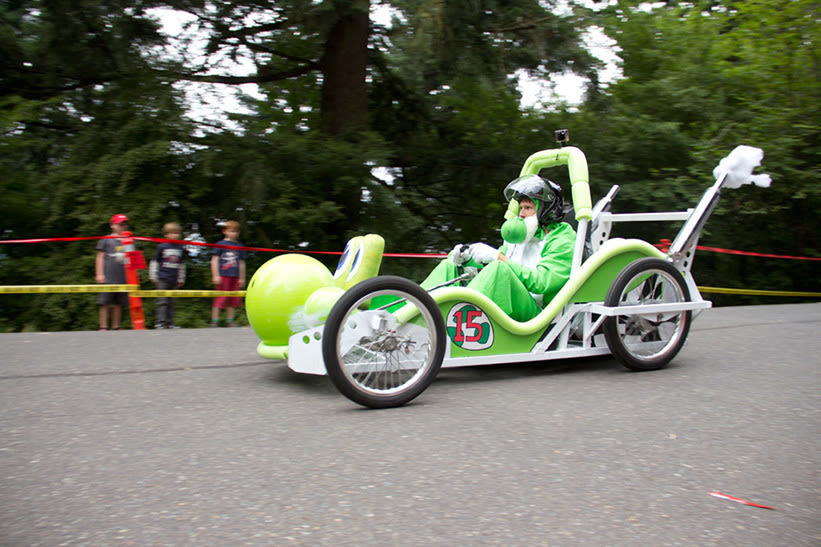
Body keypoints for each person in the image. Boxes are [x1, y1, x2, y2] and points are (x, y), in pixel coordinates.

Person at [420, 175, 576, 322]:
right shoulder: (519, 235)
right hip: (511, 301)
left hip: (538, 314)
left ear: (546, 210)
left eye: (527, 207)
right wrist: (467, 260)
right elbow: (492, 267)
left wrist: (498, 258)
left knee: (499, 270)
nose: (521, 214)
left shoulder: (562, 237)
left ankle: (448, 322)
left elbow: (542, 283)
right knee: (450, 266)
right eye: (520, 208)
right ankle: (410, 310)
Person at [95, 214, 129, 331]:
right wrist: (99, 274)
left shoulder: (128, 240)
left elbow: (132, 258)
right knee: (104, 302)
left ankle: (116, 326)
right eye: (119, 224)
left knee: (119, 303)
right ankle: (103, 326)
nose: (122, 227)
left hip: (123, 277)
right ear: (112, 226)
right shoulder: (106, 240)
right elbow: (100, 257)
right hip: (108, 277)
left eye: (124, 224)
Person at [149, 222, 187, 329]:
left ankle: (170, 323)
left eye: (177, 233)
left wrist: (181, 278)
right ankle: (160, 322)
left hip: (174, 279)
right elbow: (155, 262)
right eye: (172, 233)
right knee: (162, 302)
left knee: (172, 302)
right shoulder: (161, 246)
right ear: (166, 234)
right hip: (162, 278)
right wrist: (153, 276)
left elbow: (182, 264)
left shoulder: (181, 248)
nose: (174, 236)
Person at [210, 220, 247, 327]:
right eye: (231, 231)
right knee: (220, 298)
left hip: (235, 276)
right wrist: (215, 275)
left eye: (236, 231)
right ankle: (215, 321)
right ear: (225, 231)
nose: (234, 233)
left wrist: (242, 278)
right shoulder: (220, 244)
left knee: (233, 299)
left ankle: (230, 321)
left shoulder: (240, 246)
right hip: (222, 275)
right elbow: (214, 260)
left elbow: (241, 263)